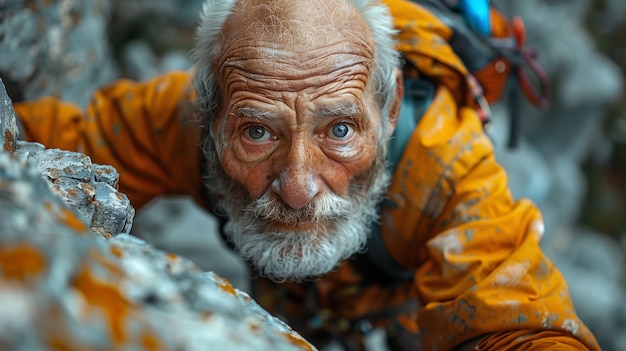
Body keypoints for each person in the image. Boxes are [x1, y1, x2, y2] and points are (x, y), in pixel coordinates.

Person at [13, 0, 600, 350]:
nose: (297, 186)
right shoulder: (178, 120)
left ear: (390, 110)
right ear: (209, 113)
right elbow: (36, 145)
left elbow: (518, 315)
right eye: (258, 133)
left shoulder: (444, 166)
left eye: (339, 131)